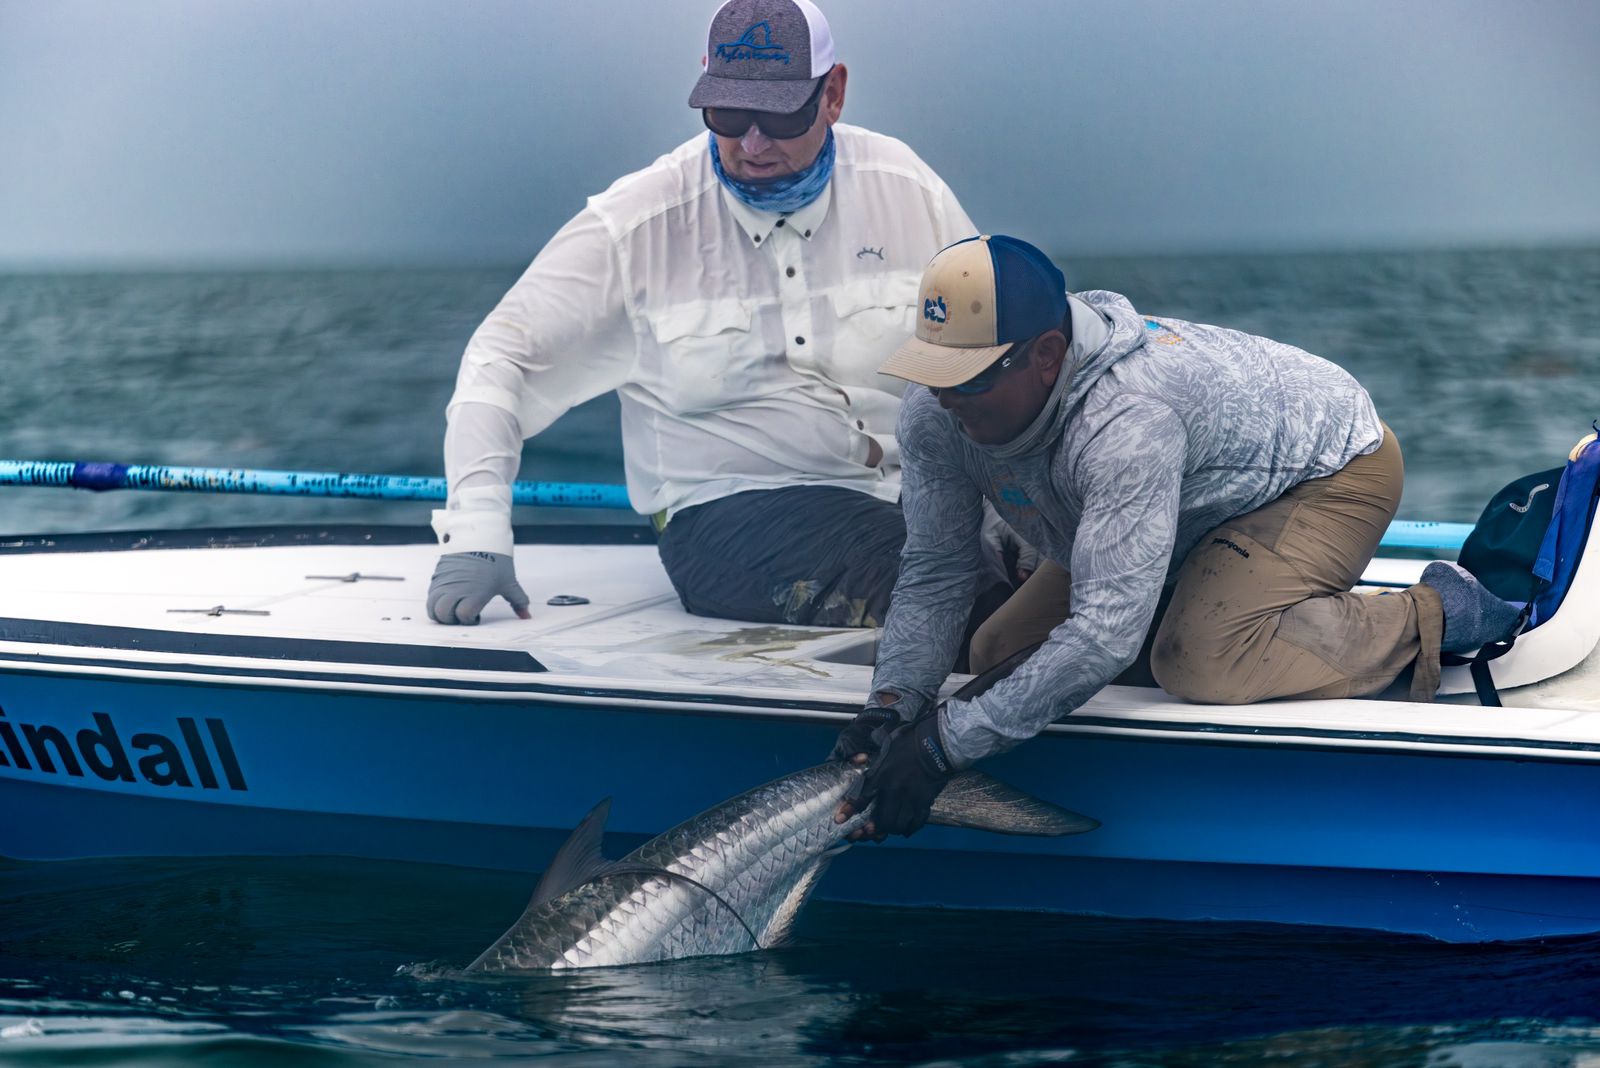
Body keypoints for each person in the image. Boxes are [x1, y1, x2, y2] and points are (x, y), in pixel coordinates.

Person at [832, 235, 1524, 838]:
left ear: (1047, 355)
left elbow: (1102, 633)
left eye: (971, 380)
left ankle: (1432, 611)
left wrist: (941, 751)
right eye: (933, 371)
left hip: (1328, 469)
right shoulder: (937, 411)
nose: (946, 401)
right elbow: (936, 571)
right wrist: (891, 708)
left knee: (1200, 662)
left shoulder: (1127, 420)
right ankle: (1204, 605)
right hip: (1168, 500)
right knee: (998, 651)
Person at [426, 0, 982, 630]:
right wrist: (476, 530)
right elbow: (503, 357)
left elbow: (985, 348)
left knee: (1069, 575)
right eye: (728, 112)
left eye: (776, 115)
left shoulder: (907, 186)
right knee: (953, 591)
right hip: (728, 516)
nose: (751, 142)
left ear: (834, 94)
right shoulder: (635, 225)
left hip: (922, 500)